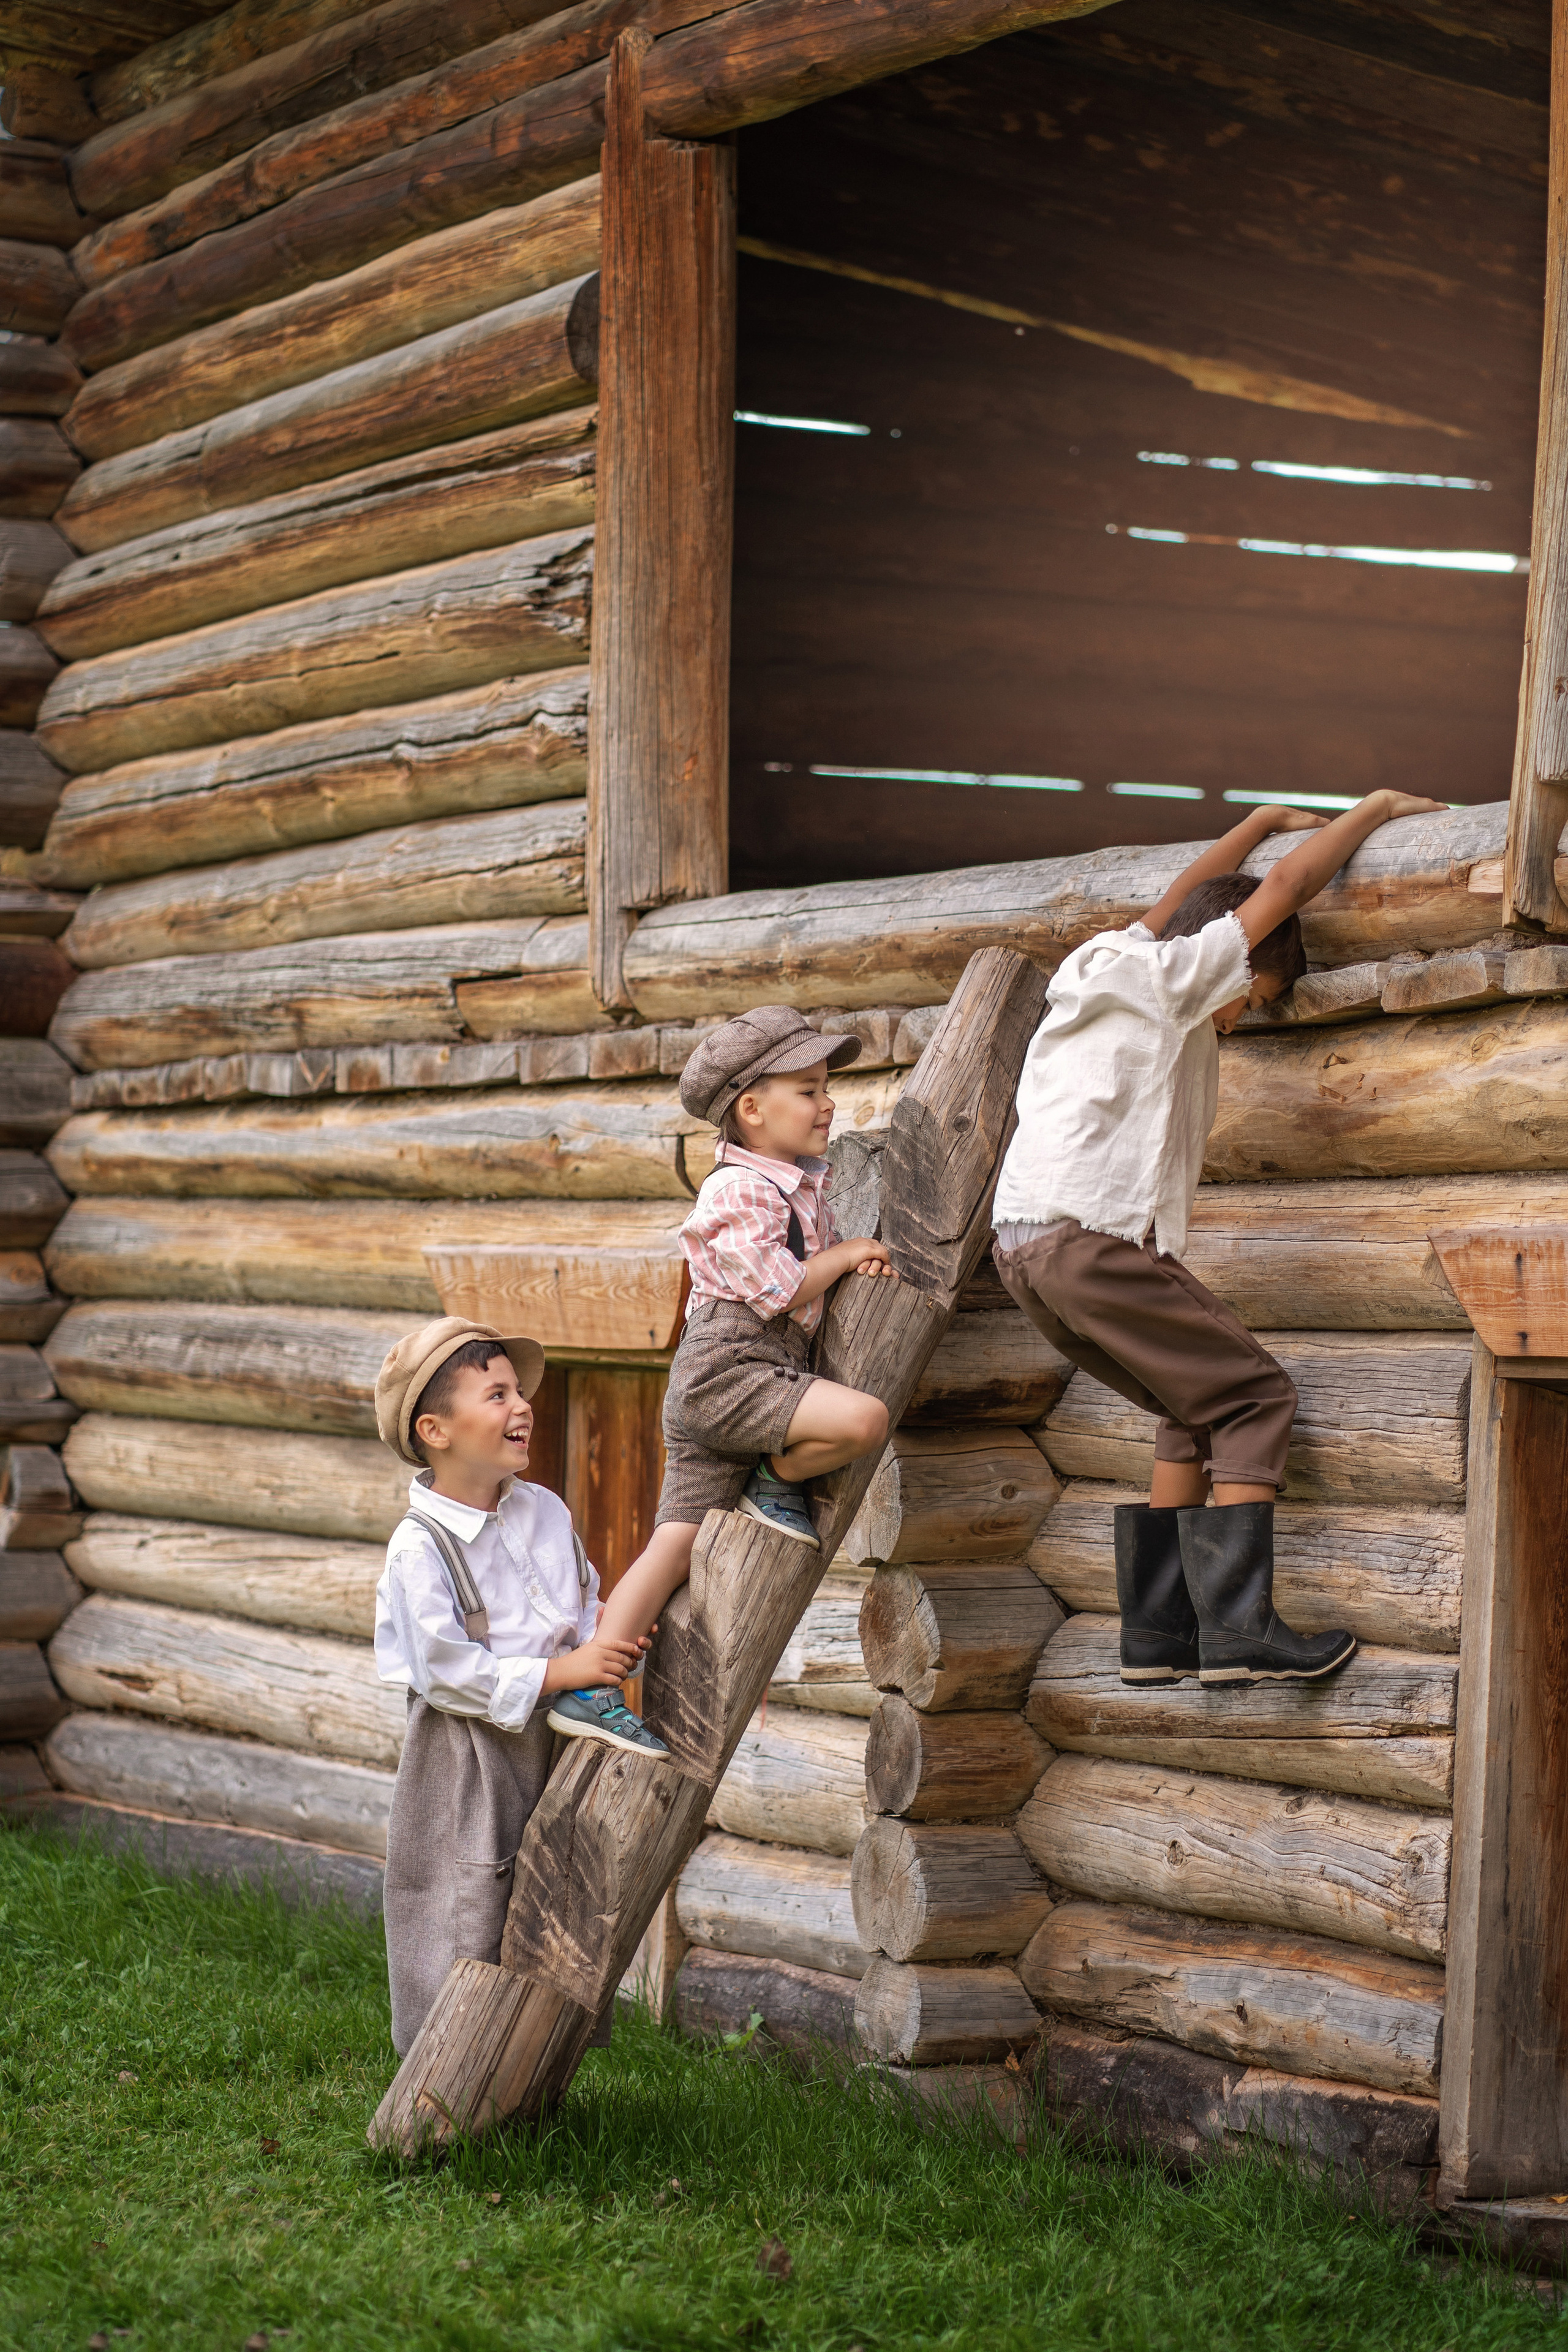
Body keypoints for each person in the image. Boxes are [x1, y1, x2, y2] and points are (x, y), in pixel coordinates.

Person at [991, 788, 1445, 1687]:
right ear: (1233, 962)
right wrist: (1374, 809)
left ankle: (1159, 1637)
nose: (1240, 1018)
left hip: (1023, 1252)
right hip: (1092, 1240)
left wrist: (1260, 818)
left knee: (1186, 1407)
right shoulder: (1181, 982)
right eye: (1255, 996)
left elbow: (1183, 892)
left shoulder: (1105, 959)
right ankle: (1240, 1633)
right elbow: (1286, 886)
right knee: (1254, 1397)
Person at [371, 1316, 663, 2056]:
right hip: (468, 1752)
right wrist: (562, 1672)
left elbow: (580, 1597)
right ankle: (446, 2066)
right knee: (466, 1895)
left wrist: (604, 1643)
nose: (522, 1406)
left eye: (520, 1391)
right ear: (436, 1429)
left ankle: (539, 2057)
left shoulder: (543, 1510)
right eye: (496, 1394)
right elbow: (445, 1672)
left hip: (554, 1733)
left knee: (557, 1882)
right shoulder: (420, 1548)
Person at [587, 1005, 900, 1680]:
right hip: (729, 1368)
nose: (828, 1103)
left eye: (826, 1088)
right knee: (865, 1420)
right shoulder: (741, 1188)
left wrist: (850, 1267)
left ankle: (591, 1678)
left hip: (743, 1372)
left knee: (674, 1546)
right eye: (809, 1090)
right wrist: (845, 1256)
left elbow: (800, 1287)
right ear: (752, 1109)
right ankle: (775, 1480)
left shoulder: (796, 1186)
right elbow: (778, 1288)